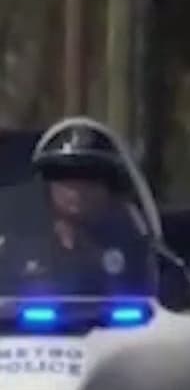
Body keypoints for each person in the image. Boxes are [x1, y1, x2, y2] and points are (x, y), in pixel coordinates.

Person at [30, 124, 153, 293]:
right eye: (63, 174)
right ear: (46, 187)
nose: (77, 188)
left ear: (111, 188)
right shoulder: (17, 252)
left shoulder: (140, 255)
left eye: (91, 177)